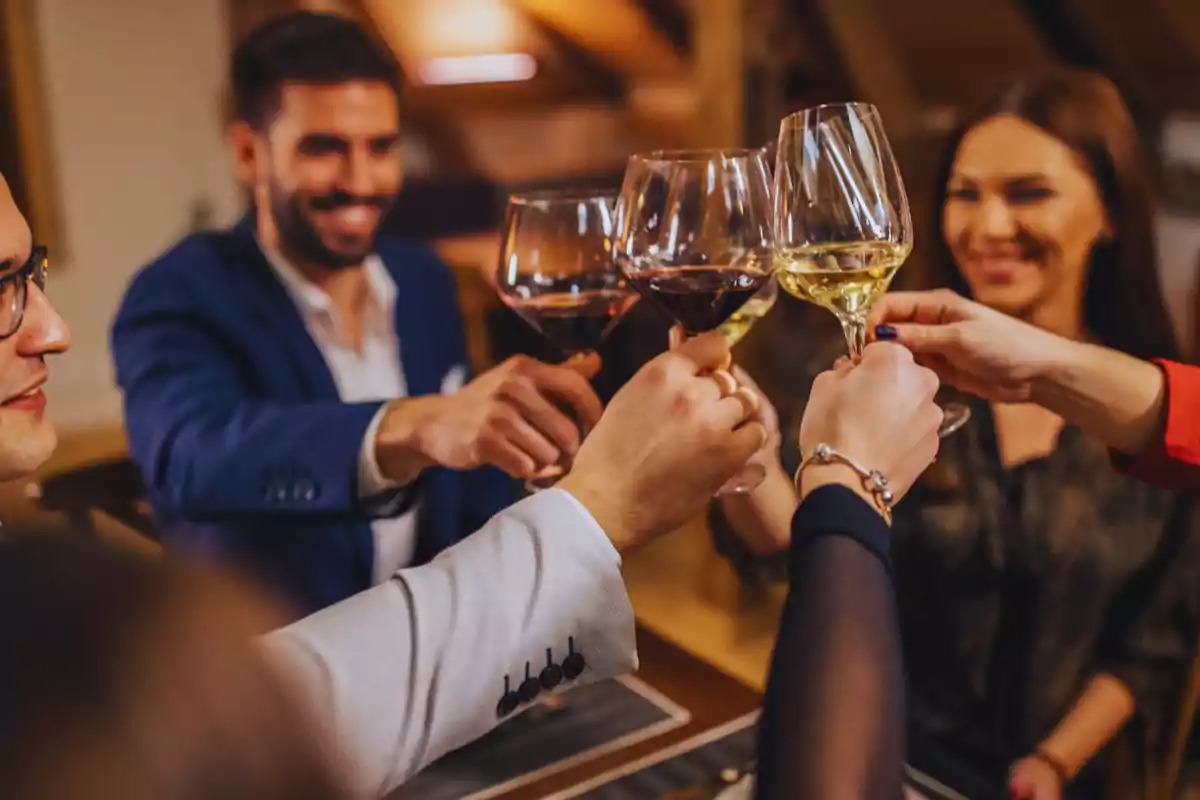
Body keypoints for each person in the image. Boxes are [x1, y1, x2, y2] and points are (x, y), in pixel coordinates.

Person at [732, 70, 1200, 800]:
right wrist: (750, 462)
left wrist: (1051, 764)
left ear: (1109, 211)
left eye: (1028, 193)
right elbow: (807, 550)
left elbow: (1157, 638)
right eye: (965, 192)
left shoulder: (1153, 418)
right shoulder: (894, 378)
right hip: (889, 755)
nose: (987, 228)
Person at [110, 11, 610, 618]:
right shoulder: (180, 290)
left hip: (437, 640)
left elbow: (468, 478)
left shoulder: (421, 277)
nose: (360, 181)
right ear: (247, 152)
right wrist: (413, 425)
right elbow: (191, 456)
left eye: (381, 147)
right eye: (324, 148)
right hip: (274, 668)